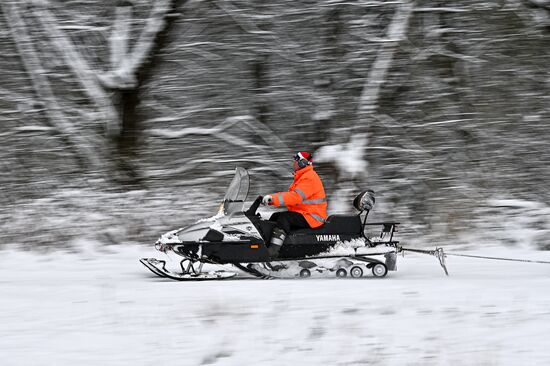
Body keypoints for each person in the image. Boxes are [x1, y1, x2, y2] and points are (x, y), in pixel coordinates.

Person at [262, 151, 327, 258]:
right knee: (275, 216)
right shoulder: (301, 177)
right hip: (304, 213)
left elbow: (295, 197)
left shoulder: (309, 177)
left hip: (312, 216)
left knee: (285, 218)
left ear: (302, 163)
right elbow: (291, 196)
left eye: (295, 161)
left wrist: (273, 199)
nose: (293, 163)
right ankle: (268, 246)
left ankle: (273, 252)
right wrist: (271, 199)